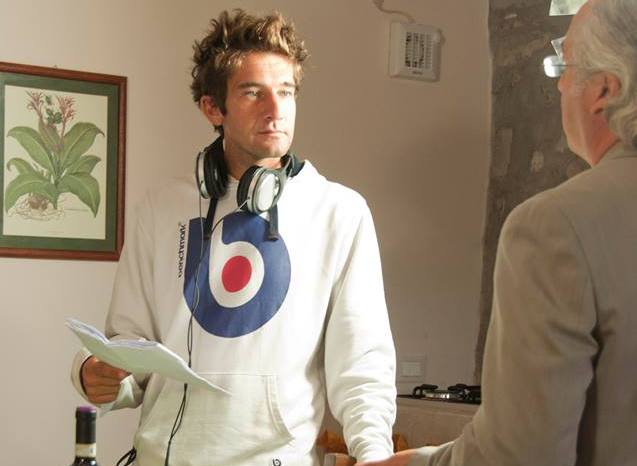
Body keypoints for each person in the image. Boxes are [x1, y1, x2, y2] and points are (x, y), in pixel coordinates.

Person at [70, 9, 397, 466]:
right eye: (252, 92)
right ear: (213, 108)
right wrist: (95, 374)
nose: (275, 109)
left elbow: (363, 364)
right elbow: (128, 347)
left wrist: (374, 454)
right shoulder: (159, 210)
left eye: (286, 91)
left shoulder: (340, 213)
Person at [357, 0, 637, 465]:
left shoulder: (554, 226)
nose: (559, 84)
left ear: (604, 89)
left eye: (565, 67)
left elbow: (520, 457)